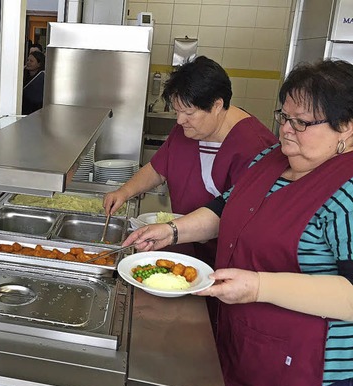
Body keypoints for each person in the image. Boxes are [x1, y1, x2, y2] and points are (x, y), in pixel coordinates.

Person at [125, 59, 353, 386]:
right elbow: (225, 208)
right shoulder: (273, 158)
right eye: (284, 117)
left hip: (307, 368)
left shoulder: (347, 191)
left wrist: (258, 287)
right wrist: (173, 231)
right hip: (246, 343)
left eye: (301, 122)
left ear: (346, 127)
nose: (286, 129)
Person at [103, 56, 277, 266]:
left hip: (225, 260)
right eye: (177, 111)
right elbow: (159, 169)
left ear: (217, 105)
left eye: (188, 113)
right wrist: (124, 191)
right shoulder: (188, 129)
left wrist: (173, 231)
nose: (179, 120)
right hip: (183, 248)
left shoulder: (255, 147)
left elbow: (241, 216)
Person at [22, 51, 45, 115]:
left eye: (31, 61)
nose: (28, 63)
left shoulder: (41, 78)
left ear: (39, 64)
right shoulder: (23, 75)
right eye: (28, 60)